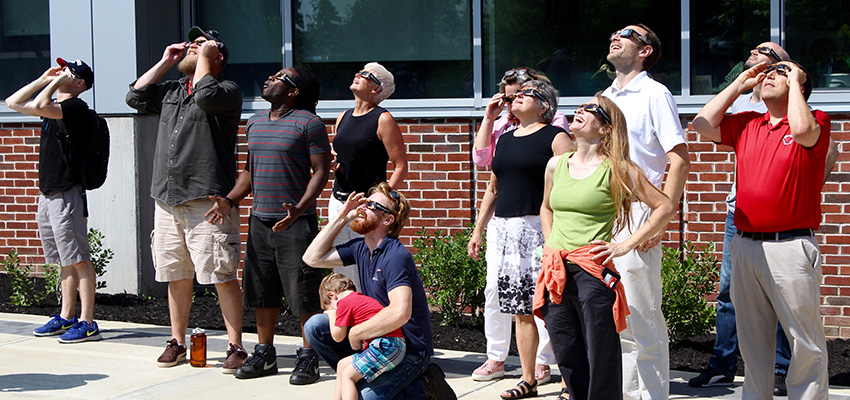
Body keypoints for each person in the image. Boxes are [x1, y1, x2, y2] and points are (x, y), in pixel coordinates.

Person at [688, 42, 839, 397]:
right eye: (766, 73)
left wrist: (797, 78)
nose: (770, 75)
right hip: (745, 244)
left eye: (780, 72)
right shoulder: (747, 124)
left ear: (800, 85)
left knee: (805, 342)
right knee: (754, 343)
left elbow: (802, 132)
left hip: (790, 246)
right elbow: (702, 123)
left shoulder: (816, 120)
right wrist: (739, 84)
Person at [535, 94, 675, 400]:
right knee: (568, 355)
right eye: (579, 108)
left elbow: (664, 206)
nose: (580, 112)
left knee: (601, 357)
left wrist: (625, 245)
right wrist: (549, 242)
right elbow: (546, 207)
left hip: (592, 273)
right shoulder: (556, 164)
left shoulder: (618, 169)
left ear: (606, 129)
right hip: (555, 271)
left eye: (591, 110)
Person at [125, 26, 245, 372]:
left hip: (205, 200)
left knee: (221, 274)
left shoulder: (226, 91)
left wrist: (204, 58)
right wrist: (166, 61)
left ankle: (235, 346)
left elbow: (206, 95)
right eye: (192, 44)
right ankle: (177, 342)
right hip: (167, 198)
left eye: (201, 45)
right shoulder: (173, 90)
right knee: (176, 273)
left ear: (217, 56)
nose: (191, 48)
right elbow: (135, 97)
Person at [204, 67, 331, 382]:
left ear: (294, 92)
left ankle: (308, 356)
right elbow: (249, 170)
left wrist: (299, 209)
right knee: (262, 290)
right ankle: (264, 353)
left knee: (303, 291)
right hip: (260, 221)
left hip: (296, 224)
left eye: (279, 78)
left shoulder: (309, 123)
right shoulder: (255, 122)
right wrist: (230, 200)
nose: (269, 79)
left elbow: (320, 170)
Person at [467, 80, 573, 400]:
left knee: (554, 306)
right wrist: (478, 229)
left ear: (544, 106)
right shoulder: (507, 138)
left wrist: (560, 234)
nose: (518, 98)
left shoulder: (557, 137)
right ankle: (529, 378)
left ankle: (570, 380)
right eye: (518, 94)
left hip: (540, 229)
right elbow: (493, 188)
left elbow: (570, 187)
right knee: (519, 307)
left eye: (527, 94)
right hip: (505, 230)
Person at [602, 24, 690, 400]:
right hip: (603, 213)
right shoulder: (603, 97)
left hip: (639, 210)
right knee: (614, 315)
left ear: (645, 51)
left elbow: (679, 158)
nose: (615, 37)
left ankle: (653, 395)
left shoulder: (656, 93)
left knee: (642, 313)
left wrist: (662, 217)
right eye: (614, 34)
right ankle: (625, 392)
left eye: (628, 34)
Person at [302, 182, 433, 400]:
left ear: (387, 219)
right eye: (364, 203)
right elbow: (311, 258)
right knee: (315, 327)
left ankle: (422, 390)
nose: (362, 208)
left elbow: (400, 312)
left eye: (371, 205)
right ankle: (359, 376)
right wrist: (343, 216)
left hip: (408, 350)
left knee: (364, 397)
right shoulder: (360, 248)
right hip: (375, 341)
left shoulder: (395, 257)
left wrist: (357, 332)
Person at [5, 58, 101, 343]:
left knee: (79, 258)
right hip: (47, 194)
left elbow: (36, 106)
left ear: (80, 83)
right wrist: (43, 79)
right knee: (64, 260)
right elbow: (12, 102)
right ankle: (66, 316)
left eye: (68, 71)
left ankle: (88, 322)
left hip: (66, 193)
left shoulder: (75, 109)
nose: (61, 72)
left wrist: (54, 84)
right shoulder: (54, 109)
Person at [329, 62, 408, 290]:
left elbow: (400, 165)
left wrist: (380, 201)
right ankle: (348, 315)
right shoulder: (343, 117)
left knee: (366, 261)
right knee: (340, 264)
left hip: (366, 205)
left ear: (377, 89)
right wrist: (333, 161)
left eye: (366, 74)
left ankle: (370, 316)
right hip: (339, 201)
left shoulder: (382, 119)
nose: (358, 75)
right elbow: (346, 155)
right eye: (360, 71)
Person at [320, 273, 407, 400]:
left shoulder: (344, 303)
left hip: (385, 346)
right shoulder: (360, 299)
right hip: (391, 346)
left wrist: (332, 314)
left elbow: (337, 336)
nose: (334, 310)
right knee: (342, 365)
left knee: (347, 376)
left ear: (332, 295)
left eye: (331, 306)